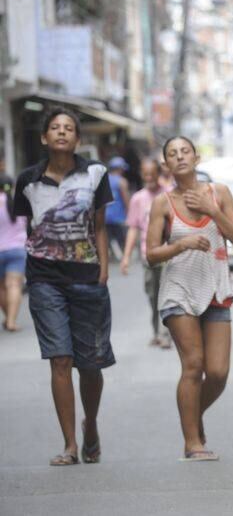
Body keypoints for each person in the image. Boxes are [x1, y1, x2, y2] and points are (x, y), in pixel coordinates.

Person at [13, 106, 114, 466]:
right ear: (44, 137)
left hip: (87, 278)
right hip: (44, 280)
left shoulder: (96, 174)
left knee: (90, 364)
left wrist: (102, 270)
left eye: (68, 128)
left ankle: (91, 425)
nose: (61, 132)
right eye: (54, 127)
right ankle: (70, 444)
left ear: (77, 138)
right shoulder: (27, 181)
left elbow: (100, 226)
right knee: (60, 359)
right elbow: (29, 229)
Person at [146, 136, 233, 461]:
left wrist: (212, 211)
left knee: (217, 373)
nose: (179, 157)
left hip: (216, 287)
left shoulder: (220, 194)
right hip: (180, 291)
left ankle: (192, 417)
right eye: (172, 154)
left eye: (184, 151)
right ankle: (193, 442)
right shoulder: (162, 203)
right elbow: (150, 255)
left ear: (197, 157)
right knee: (193, 366)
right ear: (166, 164)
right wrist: (181, 244)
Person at [121, 158, 170, 348]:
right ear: (142, 174)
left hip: (168, 253)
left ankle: (164, 333)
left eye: (152, 173)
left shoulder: (168, 194)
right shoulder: (138, 199)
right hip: (147, 255)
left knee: (166, 294)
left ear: (159, 173)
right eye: (145, 174)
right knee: (152, 294)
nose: (149, 177)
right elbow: (133, 228)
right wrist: (126, 257)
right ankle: (156, 330)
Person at [0, 172, 26, 332]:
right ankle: (11, 321)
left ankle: (8, 316)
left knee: (2, 288)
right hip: (17, 250)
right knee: (14, 285)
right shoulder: (17, 202)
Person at [105, 156, 130, 258]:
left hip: (105, 217)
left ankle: (112, 254)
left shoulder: (104, 180)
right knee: (122, 238)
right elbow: (126, 199)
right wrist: (129, 213)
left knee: (109, 238)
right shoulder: (122, 181)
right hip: (118, 216)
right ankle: (124, 255)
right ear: (120, 168)